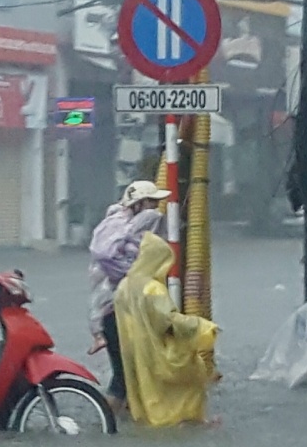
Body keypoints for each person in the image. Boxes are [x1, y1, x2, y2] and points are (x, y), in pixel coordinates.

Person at [113, 233, 221, 428]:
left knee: (147, 389)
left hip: (134, 349)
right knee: (191, 379)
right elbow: (168, 320)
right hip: (158, 348)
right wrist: (202, 327)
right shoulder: (152, 288)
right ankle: (187, 422)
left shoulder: (124, 285)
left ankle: (151, 420)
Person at [86, 180, 169, 411]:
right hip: (112, 309)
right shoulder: (118, 225)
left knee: (134, 371)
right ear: (139, 203)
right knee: (123, 375)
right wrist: (132, 276)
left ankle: (127, 419)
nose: (155, 208)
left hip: (125, 307)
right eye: (152, 202)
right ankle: (107, 422)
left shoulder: (134, 227)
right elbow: (104, 255)